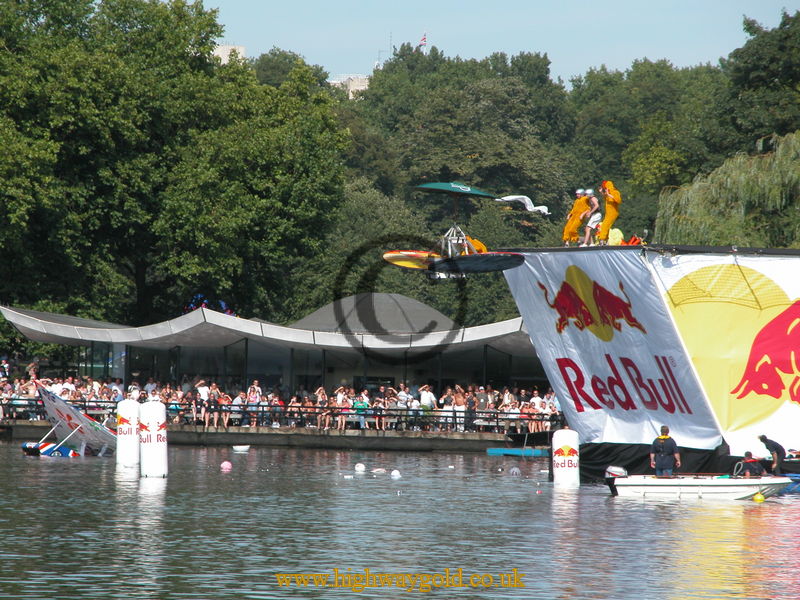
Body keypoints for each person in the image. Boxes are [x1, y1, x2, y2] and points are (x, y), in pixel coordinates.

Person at [597, 180, 622, 245]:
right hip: (608, 213)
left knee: (605, 225)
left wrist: (609, 194)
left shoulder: (615, 192)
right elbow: (605, 196)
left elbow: (618, 200)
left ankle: (602, 239)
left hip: (613, 213)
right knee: (606, 226)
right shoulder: (607, 193)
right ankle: (606, 240)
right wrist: (602, 192)